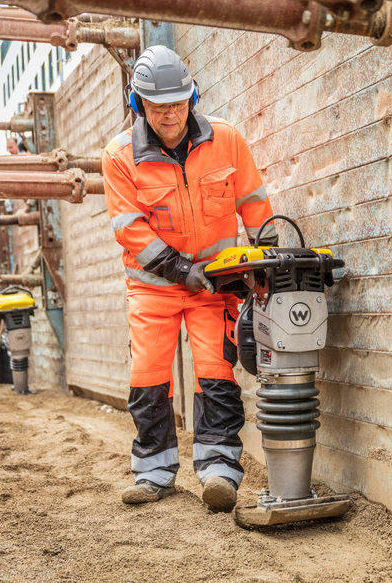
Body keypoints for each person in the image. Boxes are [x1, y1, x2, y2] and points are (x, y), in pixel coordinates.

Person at [103, 46, 277, 513]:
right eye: (158, 107)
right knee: (149, 378)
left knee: (215, 375)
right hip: (153, 286)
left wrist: (264, 260)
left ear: (192, 97)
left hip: (214, 288)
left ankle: (218, 470)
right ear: (138, 105)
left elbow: (255, 205)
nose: (170, 115)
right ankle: (154, 472)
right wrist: (182, 270)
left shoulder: (227, 140)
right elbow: (130, 229)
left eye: (178, 104)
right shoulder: (120, 157)